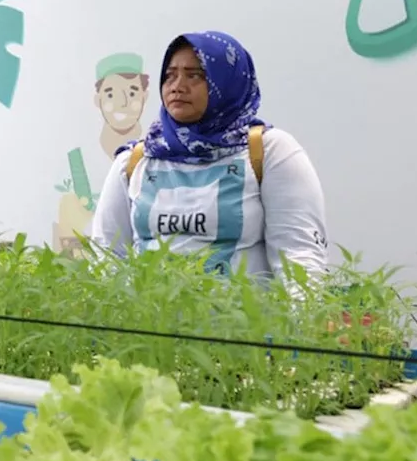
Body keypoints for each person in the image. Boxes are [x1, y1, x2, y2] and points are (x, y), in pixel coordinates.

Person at [90, 31, 328, 278]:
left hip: (246, 316)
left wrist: (301, 315)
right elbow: (108, 259)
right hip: (150, 317)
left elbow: (299, 257)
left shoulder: (270, 151)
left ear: (226, 82)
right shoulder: (135, 160)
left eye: (195, 76)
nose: (177, 87)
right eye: (170, 76)